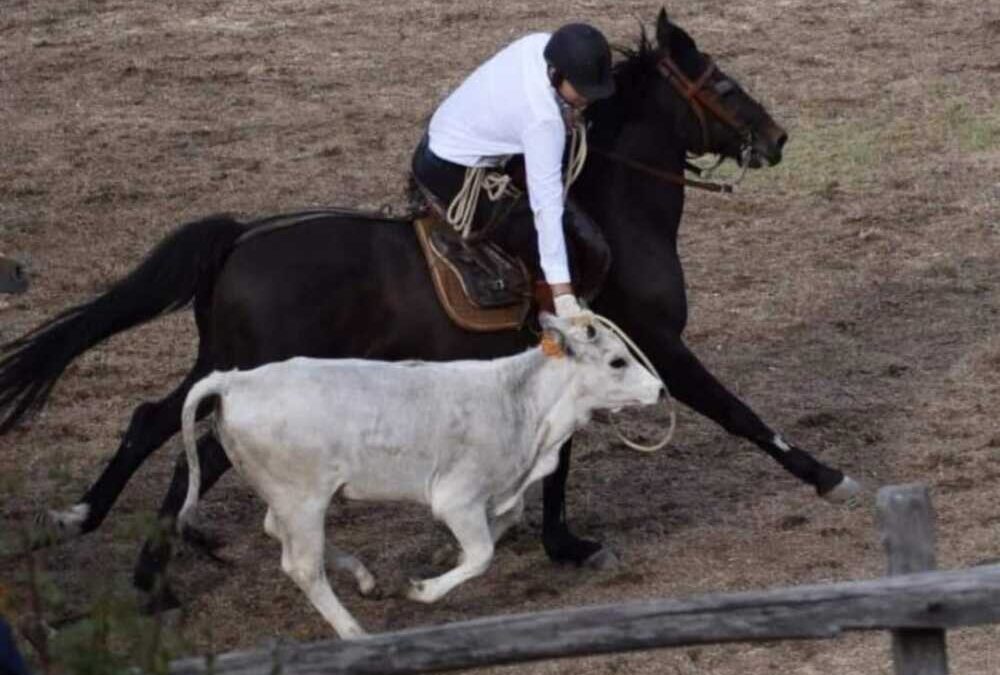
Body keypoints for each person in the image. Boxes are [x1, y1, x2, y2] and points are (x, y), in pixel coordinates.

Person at [411, 23, 615, 322]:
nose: (587, 98)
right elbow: (546, 208)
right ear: (557, 75)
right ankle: (550, 336)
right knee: (536, 241)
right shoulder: (542, 121)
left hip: (443, 135)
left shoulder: (538, 45)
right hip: (450, 169)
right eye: (582, 90)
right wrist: (562, 290)